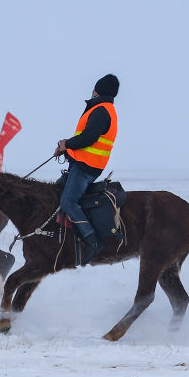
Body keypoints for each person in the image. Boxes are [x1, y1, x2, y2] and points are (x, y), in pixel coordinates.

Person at [54, 73, 120, 265]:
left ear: (97, 90)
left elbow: (88, 138)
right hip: (84, 163)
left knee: (68, 202)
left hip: (86, 167)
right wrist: (66, 150)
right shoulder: (103, 109)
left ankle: (93, 242)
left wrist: (67, 143)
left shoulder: (101, 110)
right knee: (57, 192)